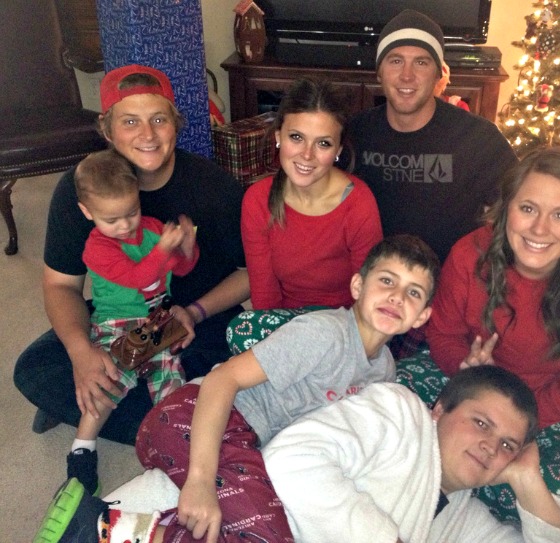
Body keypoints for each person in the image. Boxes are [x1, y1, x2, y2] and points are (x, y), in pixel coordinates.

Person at [34, 234, 438, 543]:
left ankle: (106, 527)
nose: (396, 297)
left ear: (422, 316)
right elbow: (222, 380)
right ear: (358, 286)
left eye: (413, 293)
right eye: (387, 281)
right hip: (194, 417)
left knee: (236, 527)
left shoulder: (383, 371)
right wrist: (200, 480)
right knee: (266, 536)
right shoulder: (326, 334)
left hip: (245, 446)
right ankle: (97, 528)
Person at [14, 64, 249, 445]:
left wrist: (195, 311)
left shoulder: (215, 186)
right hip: (120, 317)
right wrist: (81, 353)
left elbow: (249, 273)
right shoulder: (80, 188)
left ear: (176, 124)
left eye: (159, 119)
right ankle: (170, 422)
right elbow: (60, 286)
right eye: (130, 122)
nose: (147, 134)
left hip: (197, 321)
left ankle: (95, 407)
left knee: (229, 367)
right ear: (107, 130)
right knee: (34, 368)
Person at [426, 146, 560, 427]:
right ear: (506, 208)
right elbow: (443, 335)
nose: (539, 229)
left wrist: (513, 426)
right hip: (471, 383)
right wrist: (464, 365)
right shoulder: (468, 254)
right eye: (528, 208)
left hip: (553, 406)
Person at [263, 366, 560, 542]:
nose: (491, 447)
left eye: (507, 445)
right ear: (440, 410)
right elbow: (290, 460)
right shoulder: (399, 412)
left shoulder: (463, 517)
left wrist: (527, 479)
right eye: (481, 423)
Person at [66, 148, 199, 495]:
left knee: (172, 376)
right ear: (87, 212)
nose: (125, 225)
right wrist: (162, 250)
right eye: (112, 219)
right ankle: (82, 448)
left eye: (132, 212)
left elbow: (180, 269)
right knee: (110, 380)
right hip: (116, 323)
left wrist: (186, 248)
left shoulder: (153, 230)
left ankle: (176, 442)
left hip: (157, 322)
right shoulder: (97, 247)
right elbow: (138, 276)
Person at [345, 9, 518, 264]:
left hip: (451, 278)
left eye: (421, 62)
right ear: (379, 71)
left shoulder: (478, 138)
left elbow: (522, 204)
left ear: (439, 73)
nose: (407, 75)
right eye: (395, 61)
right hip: (373, 277)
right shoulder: (356, 132)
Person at [242, 78, 382, 310]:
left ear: (338, 151)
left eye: (323, 143)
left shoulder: (359, 204)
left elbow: (367, 297)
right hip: (283, 319)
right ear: (278, 137)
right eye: (296, 137)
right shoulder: (257, 200)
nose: (307, 155)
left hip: (344, 319)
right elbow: (264, 296)